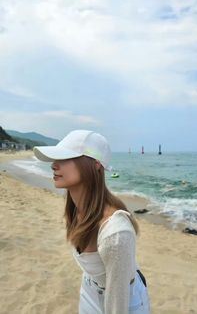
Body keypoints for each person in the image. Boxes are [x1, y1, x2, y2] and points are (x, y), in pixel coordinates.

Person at [33, 130, 150, 314]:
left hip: (122, 300)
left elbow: (117, 305)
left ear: (95, 165)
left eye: (64, 159)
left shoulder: (116, 234)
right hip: (89, 289)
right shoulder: (76, 210)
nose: (54, 165)